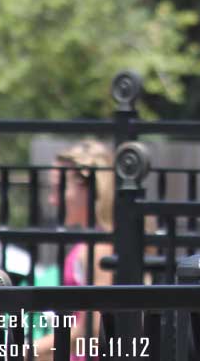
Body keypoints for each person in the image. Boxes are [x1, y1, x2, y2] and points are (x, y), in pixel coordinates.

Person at [32, 139, 115, 361]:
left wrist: (24, 350)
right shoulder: (95, 243)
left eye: (60, 189)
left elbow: (93, 329)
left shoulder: (99, 248)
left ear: (88, 187)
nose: (53, 199)